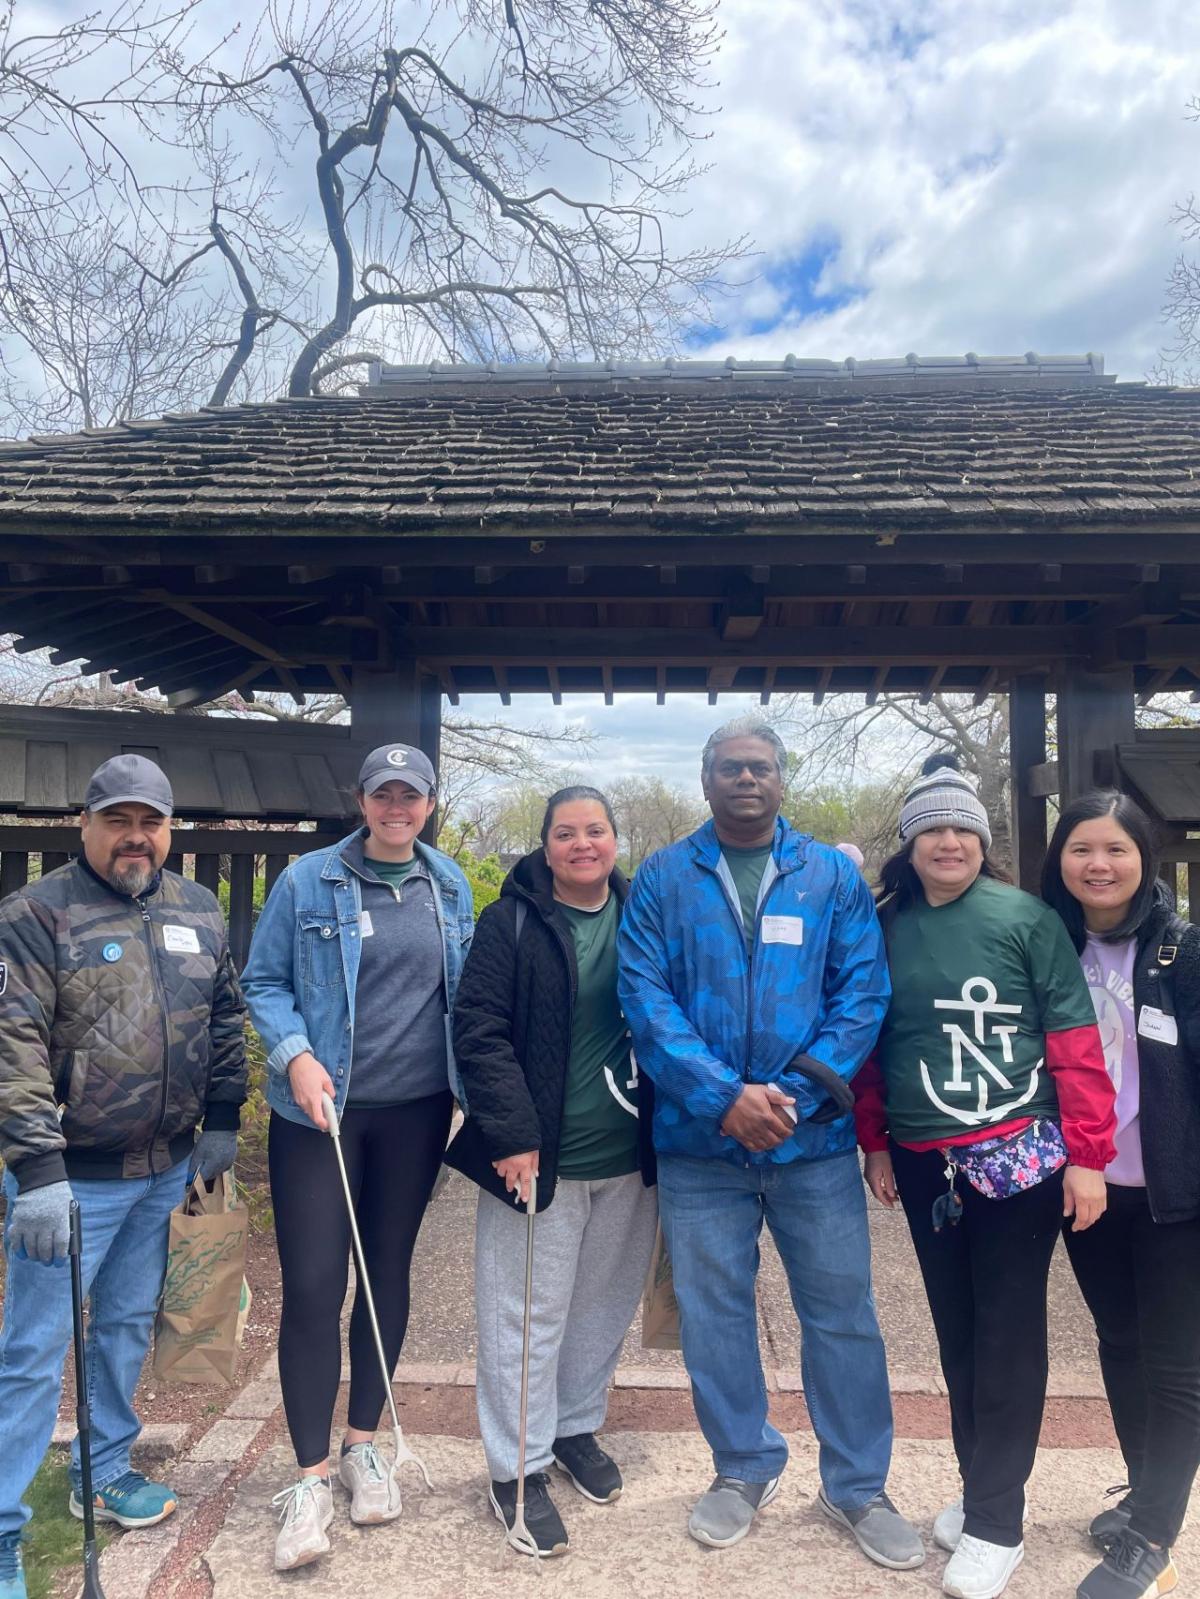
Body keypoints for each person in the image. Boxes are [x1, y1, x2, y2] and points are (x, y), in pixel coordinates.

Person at [617, 714, 922, 1570]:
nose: (745, 779)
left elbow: (863, 992)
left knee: (843, 1316)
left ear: (782, 779)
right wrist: (723, 1098)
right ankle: (742, 1465)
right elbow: (644, 999)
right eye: (729, 767)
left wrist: (786, 1095)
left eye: (759, 767)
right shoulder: (662, 880)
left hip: (813, 1145)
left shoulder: (828, 875)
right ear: (705, 780)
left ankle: (858, 1483)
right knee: (714, 1316)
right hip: (699, 1146)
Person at [855, 755, 1116, 1599]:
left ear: (983, 838)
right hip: (930, 1160)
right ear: (908, 841)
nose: (948, 840)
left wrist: (1088, 1152)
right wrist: (878, 1140)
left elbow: (1074, 1042)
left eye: (963, 826)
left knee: (1008, 1334)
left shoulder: (1027, 918)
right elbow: (870, 1043)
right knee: (958, 1331)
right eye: (931, 826)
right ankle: (980, 1496)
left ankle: (1000, 1525)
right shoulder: (883, 924)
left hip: (1019, 1155)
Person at [0, 755, 246, 1599]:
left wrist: (221, 1116)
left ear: (169, 828)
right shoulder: (35, 914)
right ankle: (1, 1530)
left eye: (151, 821)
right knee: (35, 1350)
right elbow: (13, 1043)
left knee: (124, 1327)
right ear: (86, 823)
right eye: (118, 820)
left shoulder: (199, 910)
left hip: (162, 1171)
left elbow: (224, 1016)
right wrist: (36, 1168)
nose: (135, 837)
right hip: (71, 1180)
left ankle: (100, 1471)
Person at [242, 743, 474, 1573]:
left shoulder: (449, 884)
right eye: (384, 794)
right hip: (319, 1116)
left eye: (411, 795)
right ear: (362, 799)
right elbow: (263, 982)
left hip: (414, 1115)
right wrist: (296, 1053)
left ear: (429, 802)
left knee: (385, 1277)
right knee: (312, 1286)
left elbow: (463, 999)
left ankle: (363, 1445)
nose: (397, 807)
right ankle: (306, 1478)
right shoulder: (309, 881)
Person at [446, 785, 657, 1557]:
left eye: (595, 830)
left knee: (601, 1306)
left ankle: (573, 1428)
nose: (582, 844)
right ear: (544, 844)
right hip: (538, 1156)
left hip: (630, 1154)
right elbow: (478, 1026)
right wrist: (507, 1129)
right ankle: (517, 1468)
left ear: (614, 838)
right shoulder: (511, 922)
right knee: (524, 1314)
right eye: (565, 833)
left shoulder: (645, 916)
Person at [1041, 790, 1200, 1599]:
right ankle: (1146, 1497)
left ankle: (1153, 1541)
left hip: (1174, 1194)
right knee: (1119, 1343)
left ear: (1145, 859)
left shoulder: (1183, 951)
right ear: (1059, 859)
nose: (1098, 865)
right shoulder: (1048, 944)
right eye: (1081, 849)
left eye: (1116, 850)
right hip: (1087, 1184)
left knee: (1177, 1367)